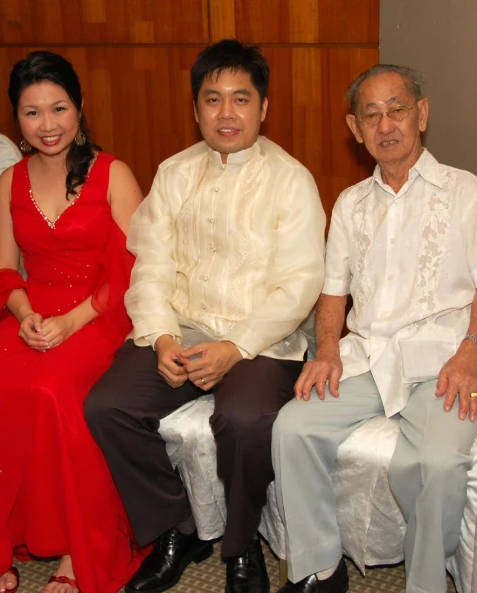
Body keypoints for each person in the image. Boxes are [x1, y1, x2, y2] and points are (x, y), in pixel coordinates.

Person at [85, 39, 326, 593]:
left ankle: (243, 548)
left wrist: (234, 347)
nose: (226, 113)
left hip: (262, 336)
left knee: (243, 420)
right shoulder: (174, 173)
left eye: (240, 99)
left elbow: (300, 284)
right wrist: (163, 336)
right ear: (196, 109)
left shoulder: (291, 179)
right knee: (108, 405)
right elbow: (150, 266)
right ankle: (177, 527)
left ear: (263, 108)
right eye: (212, 99)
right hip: (184, 324)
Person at [272, 64, 477, 593]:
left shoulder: (466, 193)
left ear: (421, 114)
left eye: (397, 109)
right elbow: (333, 294)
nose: (386, 125)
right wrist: (327, 350)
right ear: (355, 129)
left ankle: (425, 585)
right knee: (293, 426)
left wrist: (471, 354)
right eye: (371, 115)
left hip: (448, 359)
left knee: (440, 463)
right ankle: (319, 569)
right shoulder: (351, 204)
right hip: (370, 359)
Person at [0, 51, 147, 593]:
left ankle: (71, 547)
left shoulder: (114, 174)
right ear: (16, 120)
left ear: (79, 109)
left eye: (58, 108)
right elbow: (5, 271)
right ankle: (1, 542)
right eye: (32, 112)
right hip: (32, 312)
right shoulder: (8, 181)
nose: (47, 124)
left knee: (55, 392)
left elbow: (135, 270)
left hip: (101, 313)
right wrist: (25, 316)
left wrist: (71, 321)